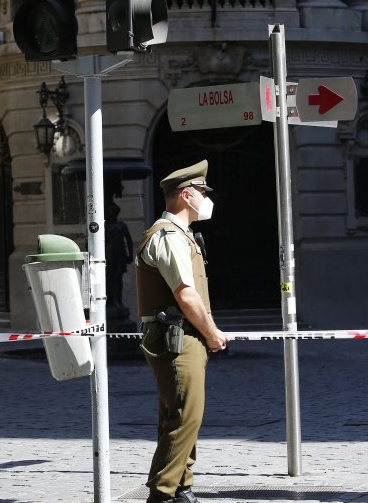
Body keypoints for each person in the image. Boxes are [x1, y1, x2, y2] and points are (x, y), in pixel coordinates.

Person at [135, 159, 229, 503]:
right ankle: (162, 493)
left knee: (182, 414)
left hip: (181, 335)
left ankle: (180, 487)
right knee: (185, 417)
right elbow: (185, 294)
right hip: (177, 336)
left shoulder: (180, 235)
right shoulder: (168, 236)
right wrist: (212, 332)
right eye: (203, 193)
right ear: (187, 196)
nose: (206, 200)